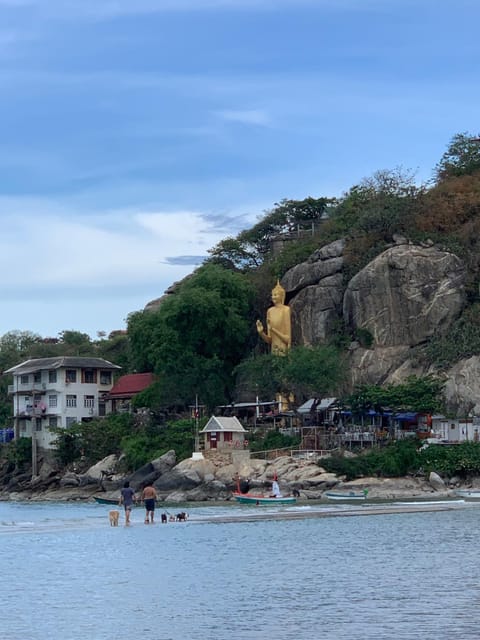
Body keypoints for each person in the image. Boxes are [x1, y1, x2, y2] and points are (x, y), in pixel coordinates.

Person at [256, 280, 291, 355]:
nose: (273, 297)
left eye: (275, 295)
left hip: (283, 352)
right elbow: (270, 340)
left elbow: (288, 339)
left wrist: (273, 329)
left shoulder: (286, 310)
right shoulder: (270, 311)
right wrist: (261, 333)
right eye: (272, 295)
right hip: (274, 352)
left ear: (281, 296)